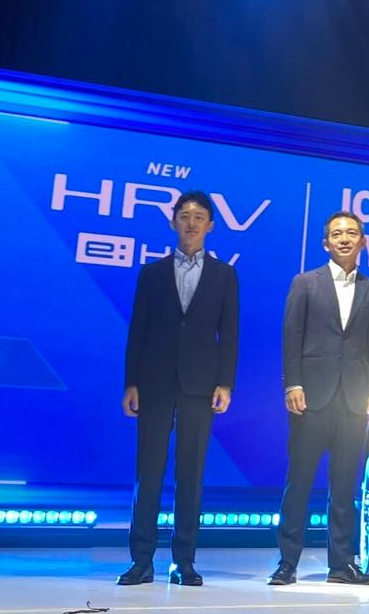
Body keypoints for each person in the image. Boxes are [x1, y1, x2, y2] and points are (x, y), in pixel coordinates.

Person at [118, 191, 240, 587]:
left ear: (210, 226)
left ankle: (184, 561)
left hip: (200, 385)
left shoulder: (225, 275)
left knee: (191, 474)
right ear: (173, 222)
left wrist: (225, 383)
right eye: (184, 215)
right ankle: (141, 561)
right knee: (148, 472)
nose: (191, 222)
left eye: (199, 216)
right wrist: (131, 382)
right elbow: (137, 331)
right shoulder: (151, 273)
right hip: (154, 382)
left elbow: (229, 334)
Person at [270, 210, 369, 586]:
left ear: (363, 242)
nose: (344, 239)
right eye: (337, 234)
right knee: (299, 482)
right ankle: (287, 563)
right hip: (311, 397)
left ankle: (341, 564)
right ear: (326, 243)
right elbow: (292, 335)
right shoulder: (306, 282)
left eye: (351, 233)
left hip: (353, 399)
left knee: (344, 486)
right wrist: (293, 384)